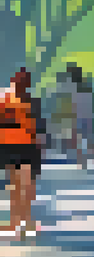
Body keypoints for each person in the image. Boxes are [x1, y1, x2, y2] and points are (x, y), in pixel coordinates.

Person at [1, 68, 43, 240]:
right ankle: (20, 222)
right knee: (20, 186)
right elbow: (37, 128)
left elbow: (37, 128)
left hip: (19, 147)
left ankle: (21, 222)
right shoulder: (20, 100)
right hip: (18, 147)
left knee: (20, 186)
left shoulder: (7, 99)